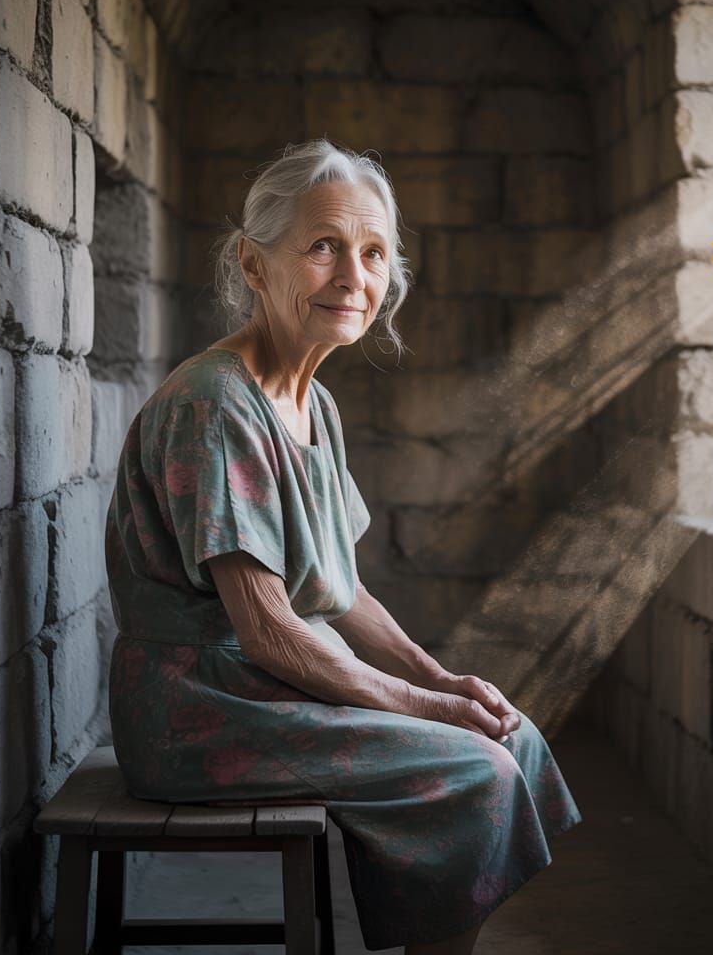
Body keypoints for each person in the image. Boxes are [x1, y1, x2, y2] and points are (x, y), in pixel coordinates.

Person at [104, 138, 582, 954]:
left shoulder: (313, 404)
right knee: (476, 769)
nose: (353, 277)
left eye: (373, 253)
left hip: (266, 685)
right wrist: (426, 707)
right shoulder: (213, 405)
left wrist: (437, 677)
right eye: (323, 246)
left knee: (513, 736)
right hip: (201, 708)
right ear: (253, 264)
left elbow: (339, 588)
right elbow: (266, 630)